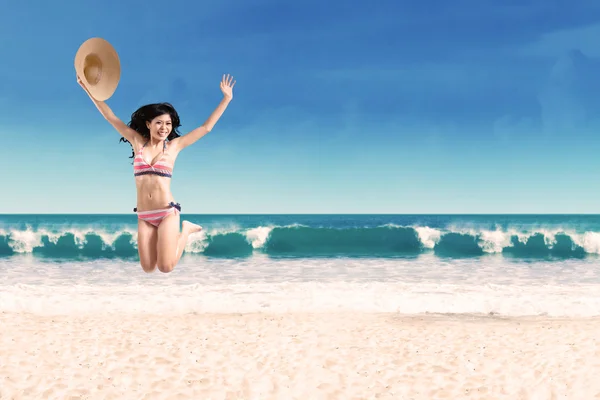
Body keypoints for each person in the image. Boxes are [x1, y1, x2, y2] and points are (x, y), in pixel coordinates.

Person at [77, 73, 236, 273]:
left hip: (167, 212)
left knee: (166, 267)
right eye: (159, 122)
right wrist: (89, 90)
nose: (164, 128)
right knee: (148, 267)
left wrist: (226, 98)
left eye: (168, 124)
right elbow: (111, 117)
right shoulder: (137, 143)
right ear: (148, 124)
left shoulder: (174, 147)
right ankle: (179, 233)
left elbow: (206, 128)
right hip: (144, 214)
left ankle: (185, 230)